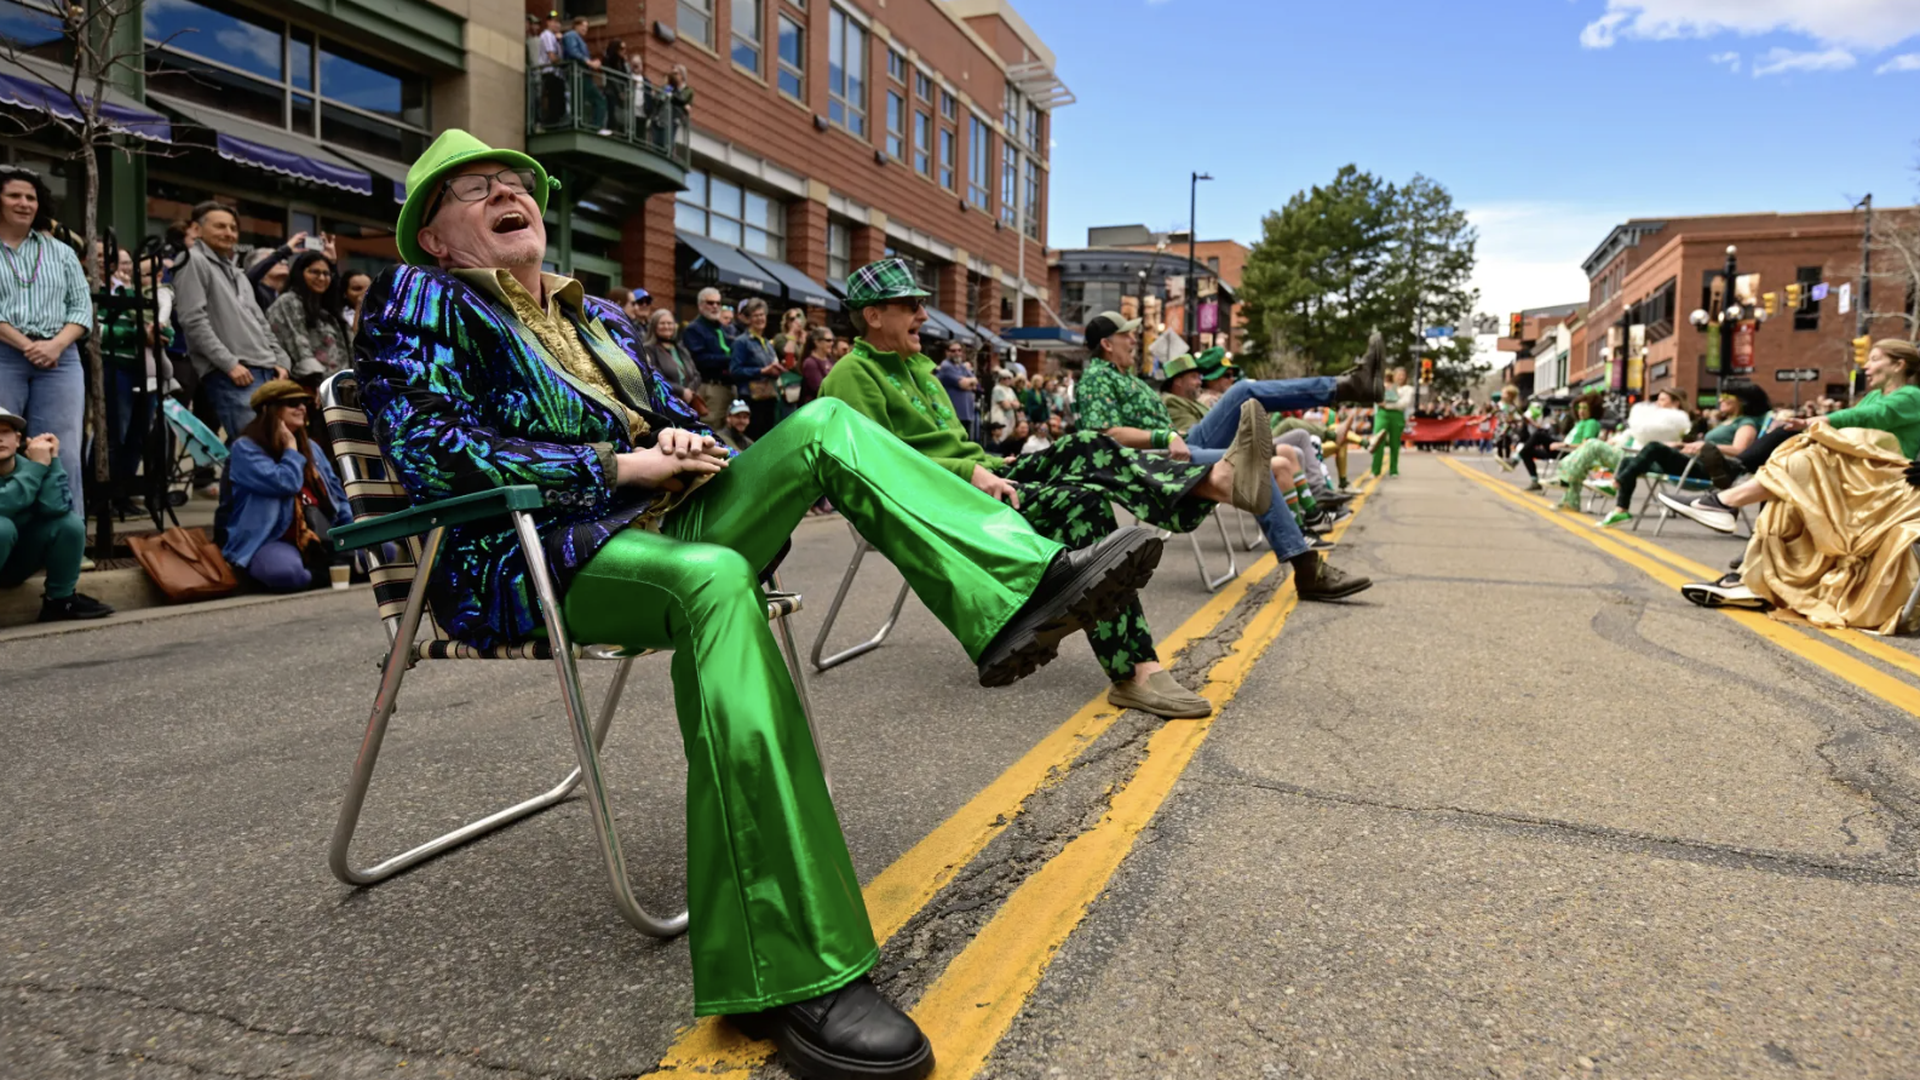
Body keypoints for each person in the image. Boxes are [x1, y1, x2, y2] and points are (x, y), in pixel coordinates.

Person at [359, 130, 1166, 1080]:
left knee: (826, 421)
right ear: (439, 238)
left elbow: (682, 415)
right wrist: (619, 464)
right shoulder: (421, 297)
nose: (508, 194)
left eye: (517, 184)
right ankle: (788, 967)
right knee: (717, 582)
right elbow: (429, 454)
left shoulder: (605, 320)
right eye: (475, 190)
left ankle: (1020, 588)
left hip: (676, 515)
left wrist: (687, 442)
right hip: (539, 557)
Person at [821, 258, 1276, 721]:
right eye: (911, 305)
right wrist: (967, 473)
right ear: (874, 315)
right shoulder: (850, 377)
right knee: (1084, 507)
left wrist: (993, 464)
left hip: (983, 478)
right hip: (944, 505)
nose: (923, 313)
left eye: (922, 303)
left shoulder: (920, 369)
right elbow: (876, 470)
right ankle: (1137, 671)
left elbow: (955, 448)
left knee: (1085, 444)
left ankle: (1218, 483)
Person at [1072, 313, 1380, 600]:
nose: (1134, 339)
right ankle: (1306, 569)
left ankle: (1348, 386)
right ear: (1107, 344)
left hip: (1183, 444)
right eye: (1127, 335)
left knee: (1243, 390)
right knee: (1252, 461)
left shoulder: (1126, 376)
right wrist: (1163, 436)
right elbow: (1104, 436)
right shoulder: (1096, 379)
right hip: (1157, 461)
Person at [1663, 340, 1920, 539]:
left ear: (1899, 365)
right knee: (1783, 469)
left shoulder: (1912, 396)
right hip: (1855, 465)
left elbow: (1871, 417)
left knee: (1792, 451)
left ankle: (1727, 494)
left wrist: (1817, 421)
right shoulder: (1874, 395)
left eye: (1875, 359)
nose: (1866, 366)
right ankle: (1751, 561)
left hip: (1881, 475)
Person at [0, 165, 93, 513]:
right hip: (4, 354)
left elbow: (81, 309)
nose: (24, 203)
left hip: (61, 359)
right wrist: (27, 345)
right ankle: (8, 536)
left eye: (31, 197)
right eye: (14, 195)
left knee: (62, 448)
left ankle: (66, 535)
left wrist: (55, 345)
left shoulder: (62, 252)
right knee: (2, 445)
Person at [171, 201, 292, 442]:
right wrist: (229, 364)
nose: (228, 233)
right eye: (220, 226)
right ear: (196, 229)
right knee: (258, 447)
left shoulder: (237, 272)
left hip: (267, 370)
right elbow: (193, 320)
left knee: (258, 448)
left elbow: (260, 322)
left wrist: (281, 360)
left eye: (233, 228)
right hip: (234, 373)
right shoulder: (191, 260)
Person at [221, 379, 350, 592]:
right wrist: (290, 449)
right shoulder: (245, 449)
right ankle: (324, 573)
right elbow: (286, 483)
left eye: (303, 402)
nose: (301, 407)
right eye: (292, 403)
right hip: (274, 539)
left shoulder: (311, 448)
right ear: (268, 410)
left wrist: (354, 530)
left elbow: (336, 493)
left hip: (321, 535)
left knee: (385, 552)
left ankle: (326, 569)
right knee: (285, 573)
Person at [1597, 384, 1767, 528]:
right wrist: (1685, 445)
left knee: (1654, 447)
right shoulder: (1725, 422)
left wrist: (1708, 445)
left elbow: (1740, 451)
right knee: (1629, 460)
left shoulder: (1746, 424)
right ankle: (1621, 510)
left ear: (1742, 401)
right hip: (1697, 463)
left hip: (1712, 471)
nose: (1721, 399)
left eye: (1726, 395)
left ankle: (1616, 483)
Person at [0, 405, 110, 620]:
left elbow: (55, 508)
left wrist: (52, 461)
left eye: (4, 432)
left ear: (17, 438)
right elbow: (6, 503)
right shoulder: (34, 468)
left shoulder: (32, 466)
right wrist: (37, 467)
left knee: (69, 524)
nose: (0, 439)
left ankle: (60, 601)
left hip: (14, 563)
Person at [1550, 389, 1690, 511]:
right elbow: (1635, 432)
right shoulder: (1657, 418)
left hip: (1639, 459)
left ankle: (1565, 477)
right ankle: (1569, 495)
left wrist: (1635, 422)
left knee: (1592, 445)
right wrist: (1619, 438)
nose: (1658, 403)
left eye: (1663, 400)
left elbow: (1642, 433)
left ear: (1676, 402)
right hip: (1631, 454)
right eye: (1658, 399)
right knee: (1586, 454)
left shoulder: (1676, 419)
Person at [265, 251, 351, 389]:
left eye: (326, 273)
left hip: (336, 390)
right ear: (300, 273)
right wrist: (315, 383)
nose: (322, 278)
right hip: (306, 389)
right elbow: (298, 345)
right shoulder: (289, 301)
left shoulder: (327, 309)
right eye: (315, 272)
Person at [729, 297, 783, 439]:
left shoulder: (767, 343)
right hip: (751, 400)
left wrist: (777, 370)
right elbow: (735, 371)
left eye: (762, 314)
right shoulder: (741, 342)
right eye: (756, 315)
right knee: (752, 439)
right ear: (748, 319)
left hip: (768, 398)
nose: (760, 318)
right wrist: (762, 371)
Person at [682, 286, 736, 420]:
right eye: (710, 303)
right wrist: (731, 359)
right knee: (713, 429)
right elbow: (700, 360)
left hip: (730, 386)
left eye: (718, 303)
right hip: (710, 387)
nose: (715, 306)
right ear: (700, 305)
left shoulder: (725, 329)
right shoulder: (693, 329)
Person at [641, 308, 700, 407]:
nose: (667, 326)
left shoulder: (680, 348)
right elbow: (655, 378)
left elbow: (696, 374)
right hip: (665, 403)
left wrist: (689, 391)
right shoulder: (648, 349)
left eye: (670, 323)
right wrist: (681, 391)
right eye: (662, 323)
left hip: (687, 402)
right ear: (654, 326)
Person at [562, 16, 608, 133]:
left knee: (592, 100)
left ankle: (593, 126)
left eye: (587, 27)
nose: (585, 29)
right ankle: (585, 125)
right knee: (583, 100)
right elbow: (573, 52)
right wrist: (589, 62)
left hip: (584, 74)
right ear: (576, 25)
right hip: (577, 74)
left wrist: (593, 63)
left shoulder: (580, 39)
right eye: (583, 26)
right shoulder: (570, 35)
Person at [1369, 366, 1412, 478]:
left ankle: (1393, 470)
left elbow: (1403, 403)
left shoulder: (1407, 389)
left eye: (1403, 375)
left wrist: (1386, 405)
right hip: (1382, 414)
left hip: (1397, 415)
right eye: (1398, 374)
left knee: (1394, 443)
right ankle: (1375, 470)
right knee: (1378, 441)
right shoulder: (1385, 385)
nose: (1400, 377)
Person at [935, 338, 980, 439]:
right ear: (947, 352)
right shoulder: (946, 366)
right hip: (954, 414)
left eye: (959, 350)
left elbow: (975, 382)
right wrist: (968, 383)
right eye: (953, 350)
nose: (957, 353)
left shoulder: (961, 366)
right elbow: (963, 384)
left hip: (966, 413)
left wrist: (970, 382)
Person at [1159, 354, 1206, 434]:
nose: (1200, 382)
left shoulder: (1192, 402)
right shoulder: (1171, 401)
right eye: (1194, 377)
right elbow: (1192, 434)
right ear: (1178, 382)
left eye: (1199, 377)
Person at [800, 325, 837, 405]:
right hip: (815, 408)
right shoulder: (810, 363)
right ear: (817, 342)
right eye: (828, 340)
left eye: (833, 340)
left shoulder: (831, 360)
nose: (832, 343)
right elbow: (819, 389)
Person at [340, 270, 373, 339]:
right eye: (357, 289)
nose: (365, 293)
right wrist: (360, 306)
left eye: (369, 288)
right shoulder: (341, 315)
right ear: (345, 293)